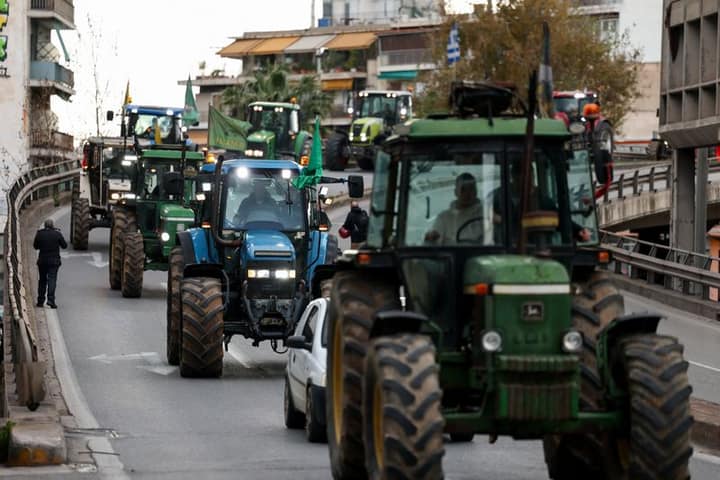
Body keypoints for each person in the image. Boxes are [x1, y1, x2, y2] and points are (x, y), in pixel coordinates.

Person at [424, 173, 485, 245]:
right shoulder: (444, 218)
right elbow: (432, 244)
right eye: (463, 189)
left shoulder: (485, 214)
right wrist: (430, 239)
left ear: (476, 191)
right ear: (456, 192)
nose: (467, 193)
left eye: (471, 189)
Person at [34, 218, 67, 308]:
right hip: (54, 261)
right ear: (52, 226)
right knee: (52, 280)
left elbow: (35, 246)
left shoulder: (40, 234)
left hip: (42, 261)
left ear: (45, 225)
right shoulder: (57, 234)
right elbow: (64, 246)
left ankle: (40, 301)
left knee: (42, 280)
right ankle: (51, 300)